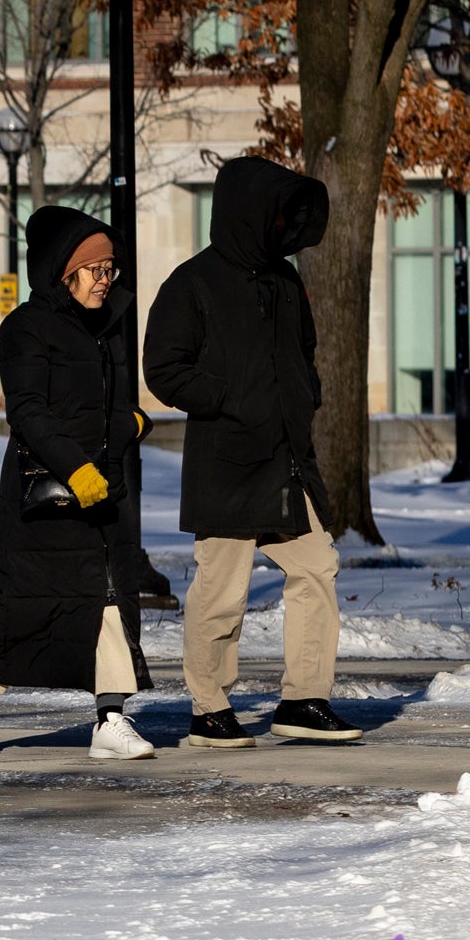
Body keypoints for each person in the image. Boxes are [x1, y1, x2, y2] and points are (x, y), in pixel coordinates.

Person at [141, 157, 361, 747]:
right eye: (278, 212)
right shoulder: (192, 283)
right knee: (222, 591)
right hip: (227, 463)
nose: (286, 224)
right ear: (249, 212)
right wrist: (226, 397)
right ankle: (208, 708)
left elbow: (306, 352)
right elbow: (162, 368)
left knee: (316, 567)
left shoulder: (286, 281)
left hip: (288, 460)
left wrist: (305, 396)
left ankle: (303, 701)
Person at [0, 205, 160, 763]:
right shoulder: (25, 329)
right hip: (44, 495)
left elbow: (94, 408)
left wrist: (130, 423)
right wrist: (74, 467)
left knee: (110, 598)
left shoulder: (101, 327)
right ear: (66, 270)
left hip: (100, 492)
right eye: (97, 270)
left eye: (112, 270)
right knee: (28, 606)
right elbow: (30, 414)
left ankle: (111, 719)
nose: (107, 281)